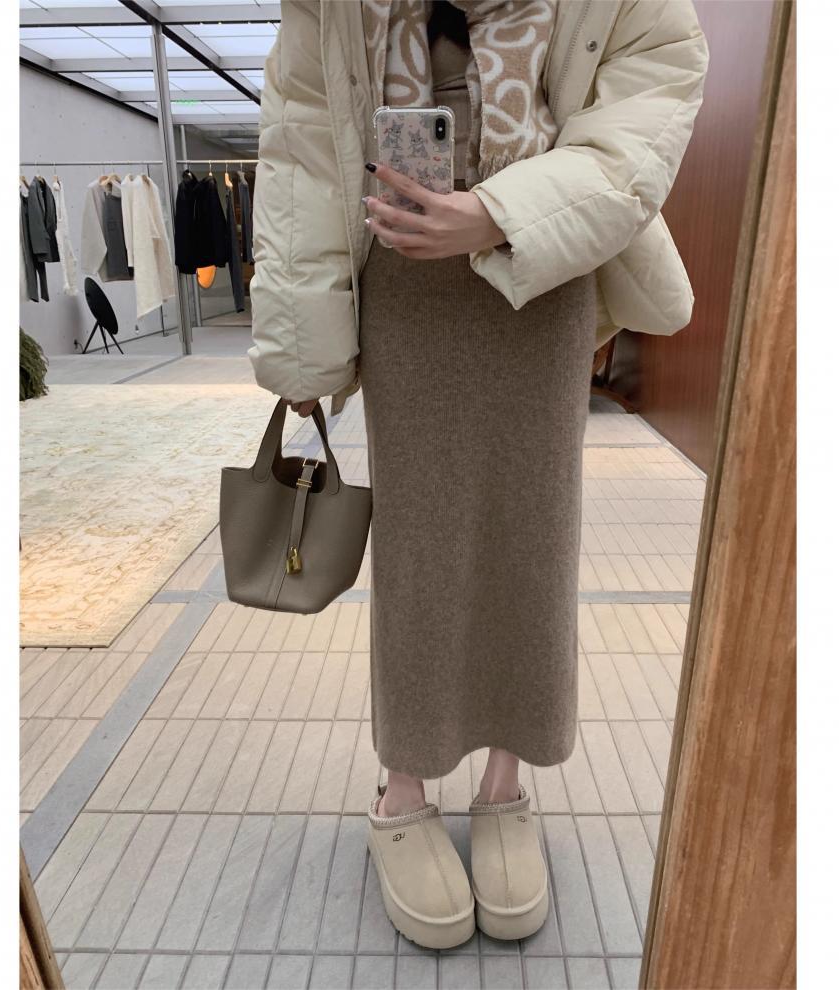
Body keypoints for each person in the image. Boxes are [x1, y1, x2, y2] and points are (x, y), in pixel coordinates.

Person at [248, 0, 708, 949]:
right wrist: (300, 335)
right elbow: (303, 140)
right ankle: (403, 788)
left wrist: (496, 214)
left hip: (545, 263)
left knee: (533, 540)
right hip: (403, 276)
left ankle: (508, 779)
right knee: (419, 550)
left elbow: (650, 101)